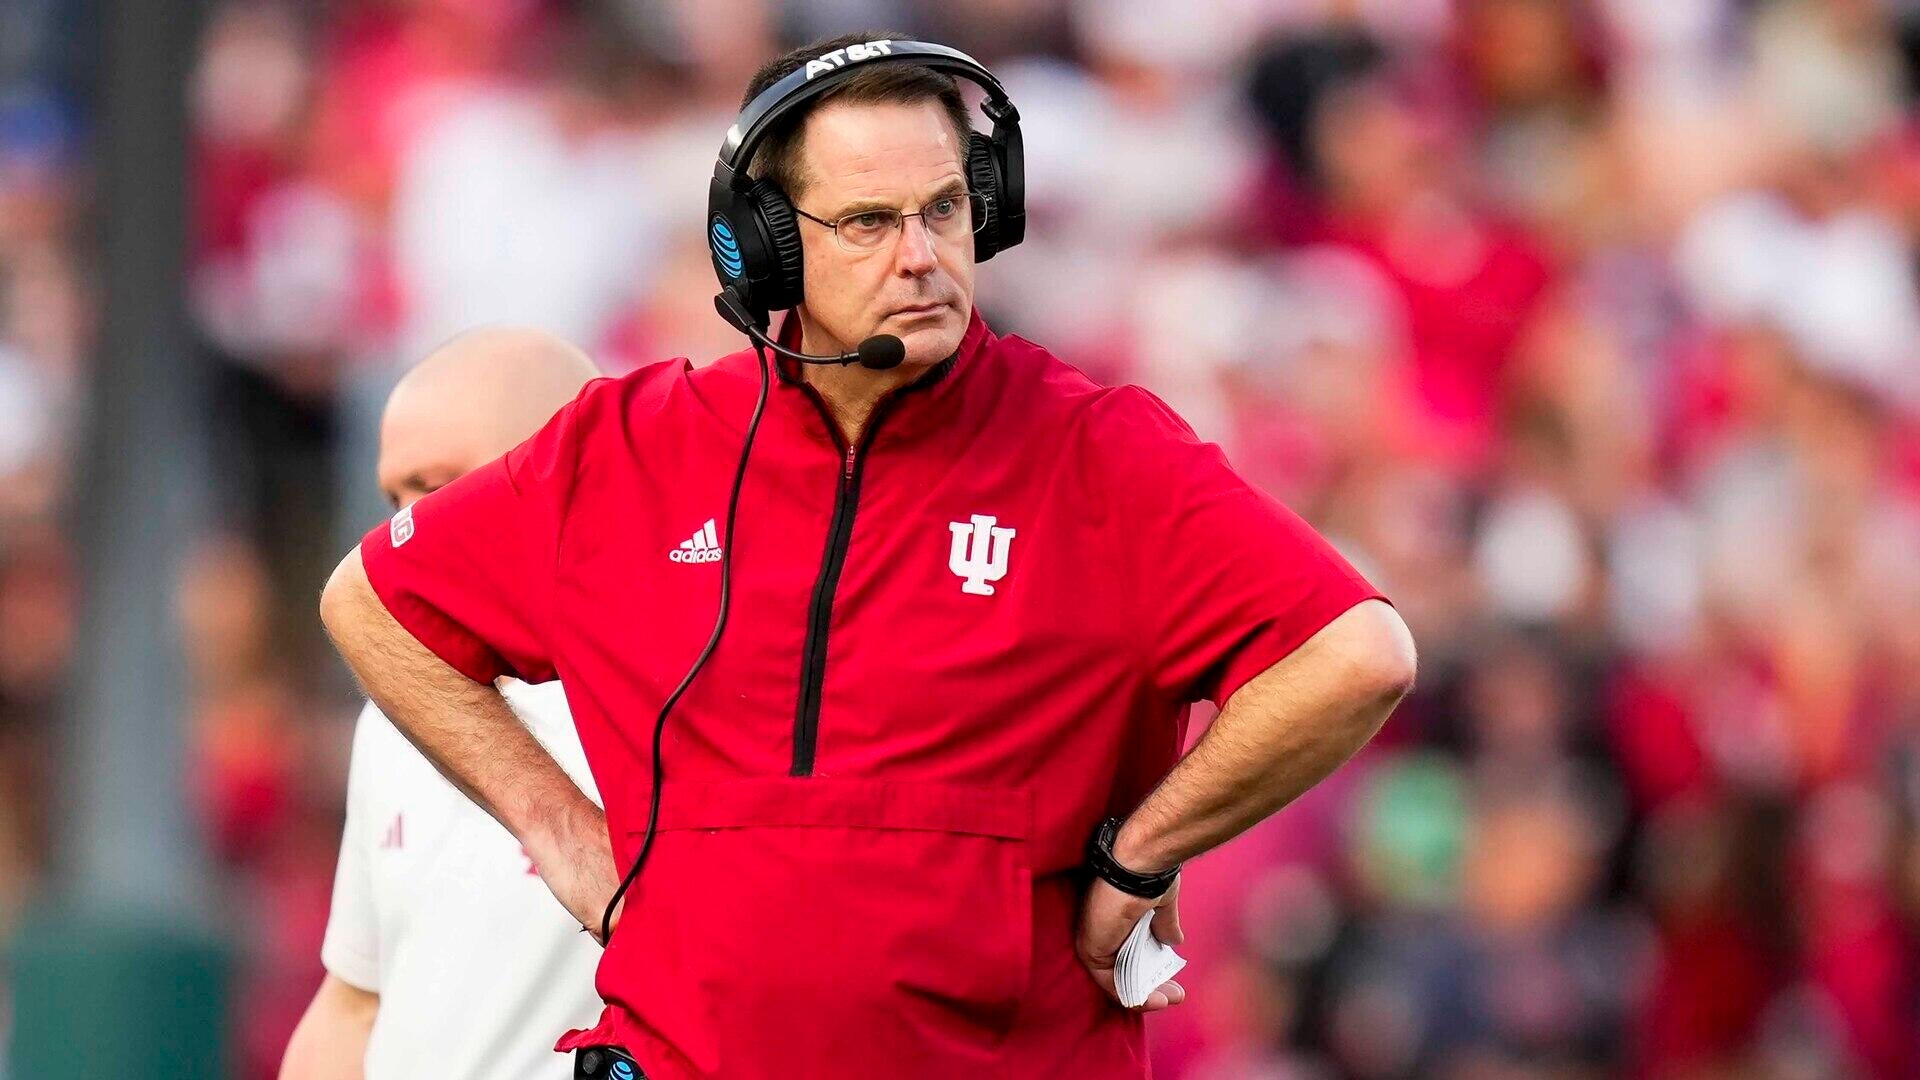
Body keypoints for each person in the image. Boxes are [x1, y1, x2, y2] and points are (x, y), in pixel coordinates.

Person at [319, 32, 1416, 1079]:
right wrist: (561, 833)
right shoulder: (628, 449)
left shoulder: (1103, 453)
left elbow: (1357, 655)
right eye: (866, 222)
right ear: (765, 244)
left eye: (944, 208)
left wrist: (1146, 845)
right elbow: (372, 603)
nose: (922, 256)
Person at [282, 328, 605, 1080]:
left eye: (434, 489)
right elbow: (355, 1003)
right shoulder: (388, 719)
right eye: (392, 498)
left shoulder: (674, 699)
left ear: (565, 475)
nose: (401, 531)